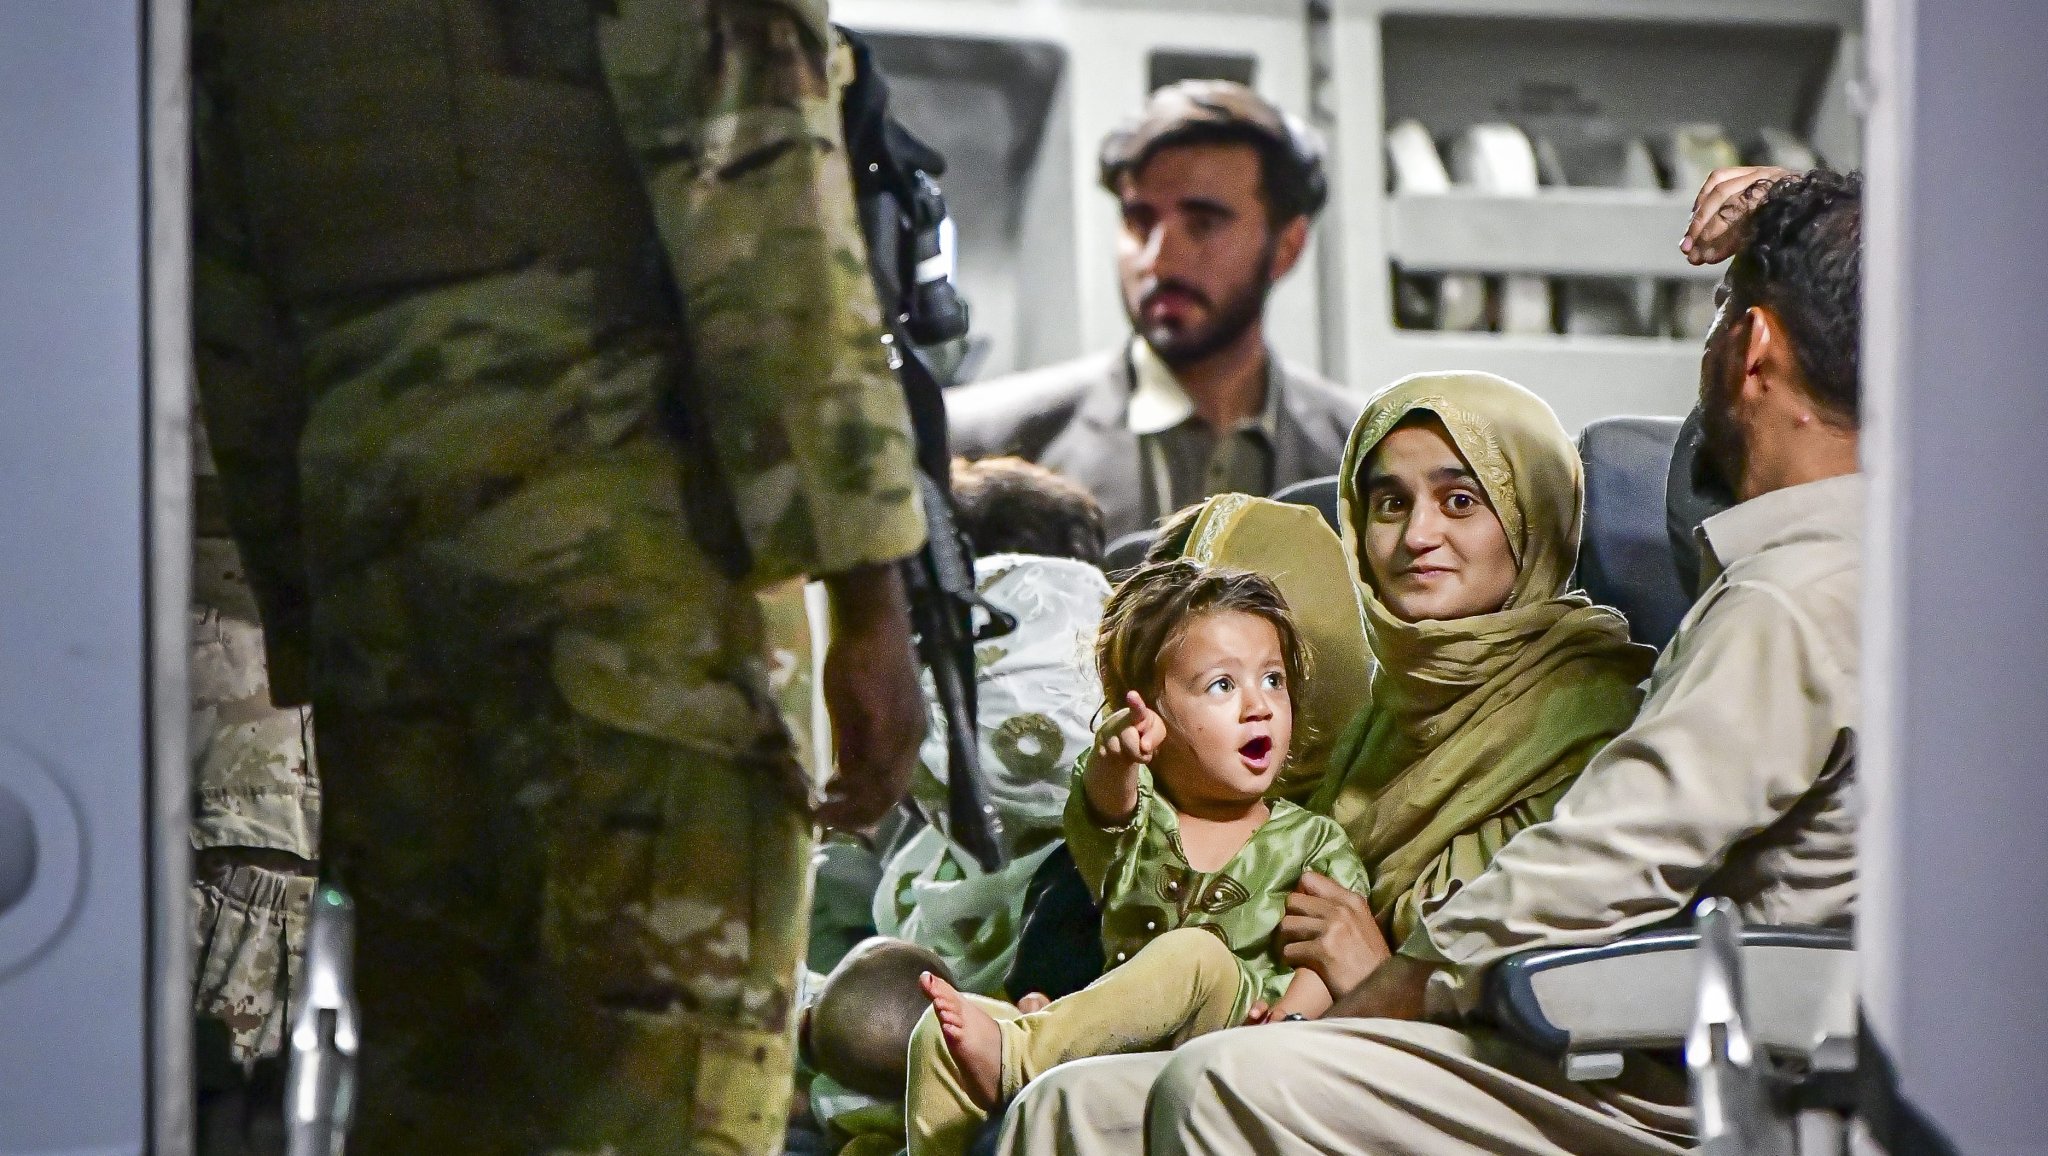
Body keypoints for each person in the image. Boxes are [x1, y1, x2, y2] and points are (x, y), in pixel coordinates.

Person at [1000, 167, 1865, 1156]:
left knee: (1220, 1087)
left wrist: (1386, 985)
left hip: (1651, 1064)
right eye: (1387, 502)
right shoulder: (1857, 574)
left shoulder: (1780, 602)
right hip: (1595, 1024)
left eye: (1462, 500)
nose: (1416, 537)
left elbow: (1591, 868)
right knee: (1063, 1104)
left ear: (1751, 347)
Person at [189, 4, 929, 1152]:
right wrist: (868, 591)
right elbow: (762, 199)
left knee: (439, 1090)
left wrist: (312, 611)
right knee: (664, 1091)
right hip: (630, 557)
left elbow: (225, 288)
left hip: (379, 561)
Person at [906, 561, 1371, 1156]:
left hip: (1238, 1028)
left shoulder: (1311, 840)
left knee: (1195, 954)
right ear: (1148, 712)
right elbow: (1104, 805)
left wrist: (1287, 1020)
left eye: (1273, 680)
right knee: (939, 1030)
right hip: (1124, 1043)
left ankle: (1021, 1056)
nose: (1259, 706)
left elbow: (1324, 959)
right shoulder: (1138, 821)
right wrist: (1117, 757)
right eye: (1222, 686)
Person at [947, 80, 1362, 539]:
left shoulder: (1365, 455)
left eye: (1203, 223)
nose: (1157, 260)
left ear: (1287, 246)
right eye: (1139, 221)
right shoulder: (983, 443)